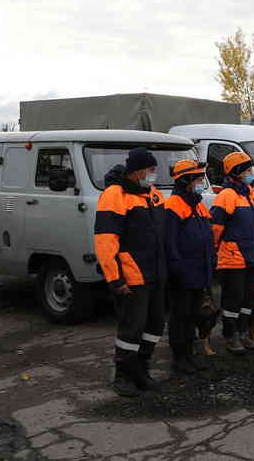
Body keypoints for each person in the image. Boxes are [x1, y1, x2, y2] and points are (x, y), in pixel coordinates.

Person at [95, 148, 167, 397]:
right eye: (150, 169)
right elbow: (106, 241)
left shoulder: (153, 195)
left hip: (155, 274)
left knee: (155, 324)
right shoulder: (115, 195)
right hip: (132, 276)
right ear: (137, 170)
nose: (153, 174)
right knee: (131, 328)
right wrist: (115, 279)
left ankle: (141, 369)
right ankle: (123, 375)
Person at [164, 159, 214, 375]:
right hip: (184, 272)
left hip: (198, 271)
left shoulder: (197, 204)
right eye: (198, 178)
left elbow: (206, 235)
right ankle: (179, 357)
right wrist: (176, 269)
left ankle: (190, 354)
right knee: (180, 316)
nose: (201, 182)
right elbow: (169, 241)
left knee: (193, 315)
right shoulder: (174, 204)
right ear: (186, 181)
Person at [211, 151, 254, 354]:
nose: (251, 173)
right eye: (248, 170)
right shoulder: (226, 196)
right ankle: (230, 336)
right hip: (232, 257)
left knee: (248, 299)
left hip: (249, 255)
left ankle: (243, 333)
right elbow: (216, 228)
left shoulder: (250, 193)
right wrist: (214, 253)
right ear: (237, 172)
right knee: (232, 300)